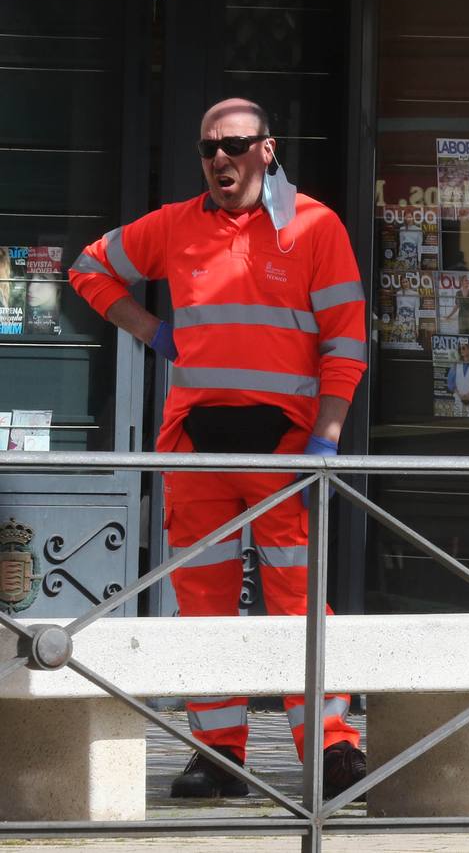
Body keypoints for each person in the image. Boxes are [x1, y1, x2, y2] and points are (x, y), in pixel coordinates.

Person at [68, 98, 368, 800]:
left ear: (268, 149)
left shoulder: (316, 226)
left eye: (234, 144)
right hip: (196, 445)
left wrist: (326, 435)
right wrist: (151, 330)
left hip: (288, 447)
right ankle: (216, 753)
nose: (220, 159)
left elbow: (346, 341)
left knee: (300, 599)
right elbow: (89, 267)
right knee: (202, 604)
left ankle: (329, 748)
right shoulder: (175, 225)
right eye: (208, 148)